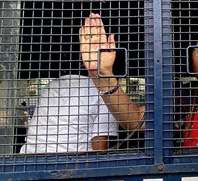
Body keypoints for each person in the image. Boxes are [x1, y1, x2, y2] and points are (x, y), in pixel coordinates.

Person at [21, 13, 145, 153]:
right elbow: (100, 149)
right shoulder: (102, 94)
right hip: (72, 165)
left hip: (28, 160)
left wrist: (103, 75)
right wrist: (102, 75)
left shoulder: (52, 85)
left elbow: (136, 121)